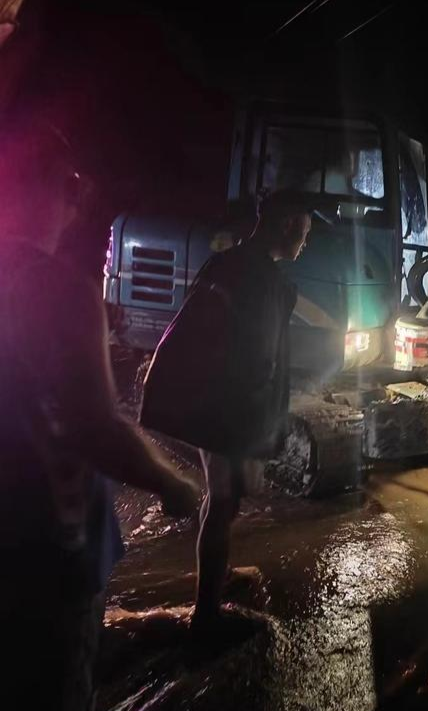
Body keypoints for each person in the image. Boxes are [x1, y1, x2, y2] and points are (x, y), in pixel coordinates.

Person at [0, 115, 202, 710]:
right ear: (62, 188)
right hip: (44, 552)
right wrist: (174, 482)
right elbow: (96, 426)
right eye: (75, 186)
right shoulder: (59, 287)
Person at [140, 189, 310, 637]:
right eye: (305, 232)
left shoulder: (230, 262)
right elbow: (258, 366)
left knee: (228, 497)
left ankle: (216, 573)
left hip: (199, 396)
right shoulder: (263, 281)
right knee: (224, 499)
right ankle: (206, 616)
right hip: (223, 407)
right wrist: (254, 441)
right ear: (289, 225)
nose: (306, 243)